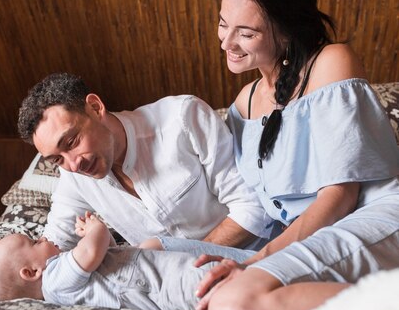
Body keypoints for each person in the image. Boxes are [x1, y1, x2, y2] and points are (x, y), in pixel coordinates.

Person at [190, 0, 399, 310]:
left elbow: (340, 196)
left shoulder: (330, 63)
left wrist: (259, 261)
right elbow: (248, 205)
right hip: (312, 237)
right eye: (222, 23)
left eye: (245, 32)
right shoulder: (244, 103)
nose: (227, 42)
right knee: (161, 257)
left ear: (285, 31)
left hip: (372, 217)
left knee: (235, 308)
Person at [17, 73, 275, 252]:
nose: (73, 165)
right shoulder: (74, 176)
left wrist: (192, 260)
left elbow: (254, 207)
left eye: (72, 142)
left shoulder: (183, 119)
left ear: (95, 108)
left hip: (251, 256)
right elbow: (54, 242)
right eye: (57, 159)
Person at [0, 212, 252, 310]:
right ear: (31, 272)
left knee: (212, 273)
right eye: (34, 242)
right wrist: (95, 228)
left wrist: (100, 237)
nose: (42, 237)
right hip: (160, 284)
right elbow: (90, 253)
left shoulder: (61, 280)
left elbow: (105, 252)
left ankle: (260, 273)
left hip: (152, 274)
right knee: (210, 280)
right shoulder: (54, 279)